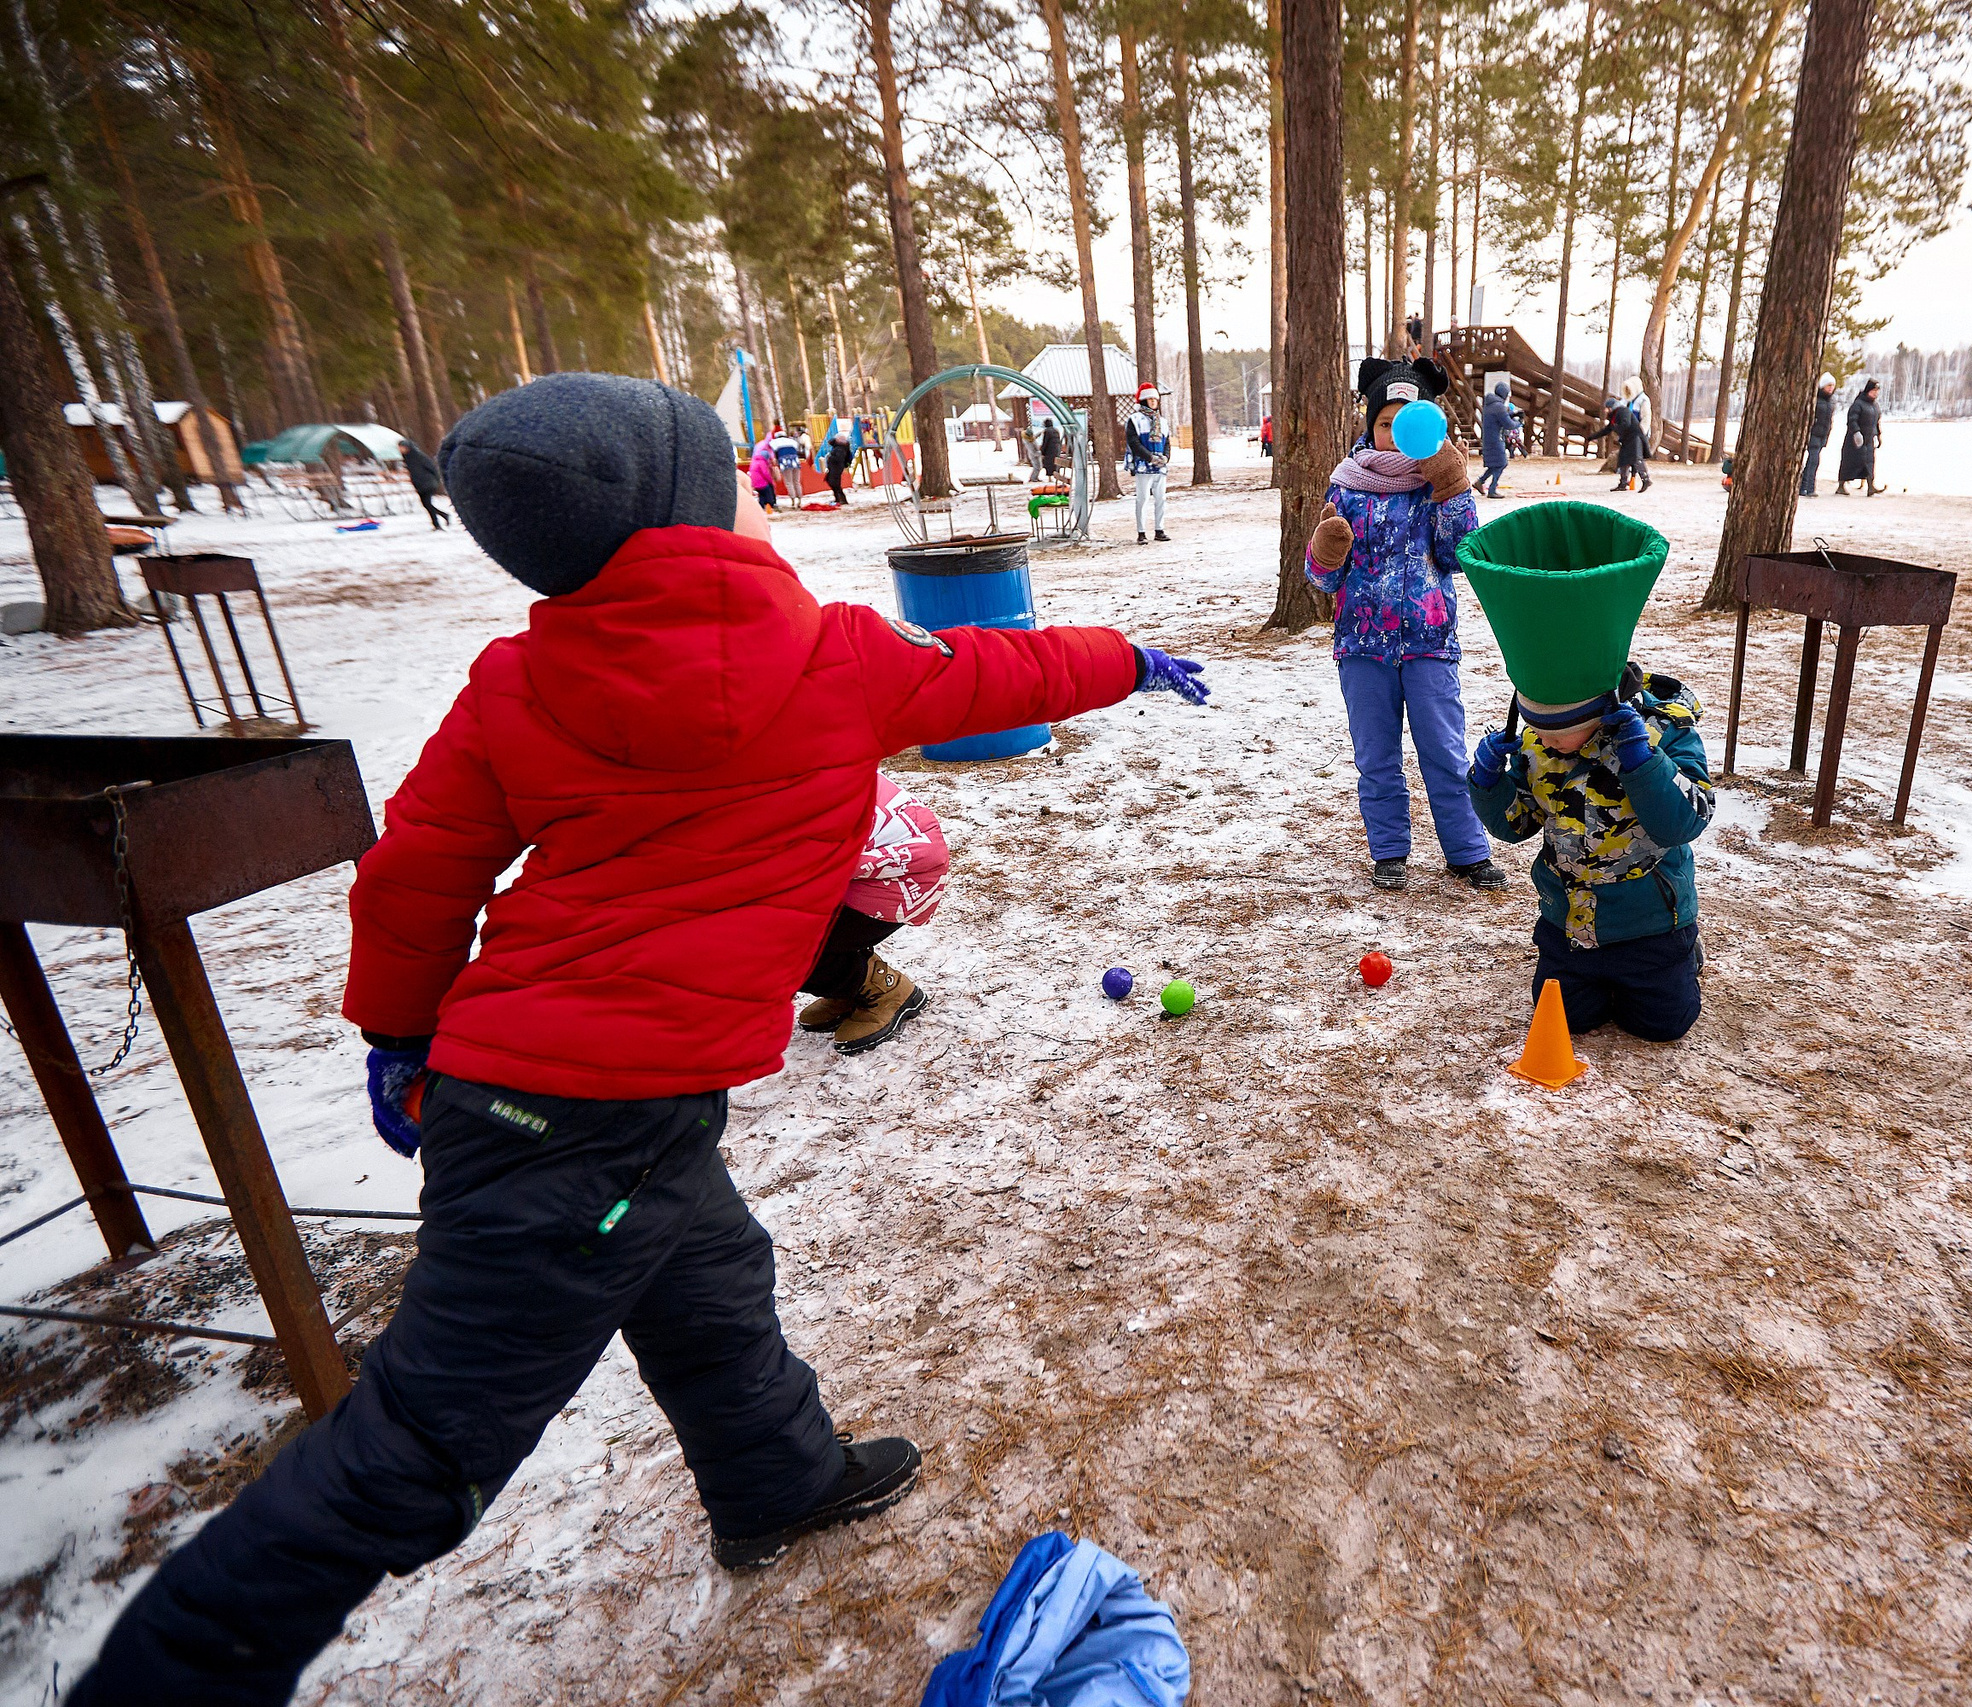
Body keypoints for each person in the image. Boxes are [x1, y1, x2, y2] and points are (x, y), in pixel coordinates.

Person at [64, 372, 1214, 1707]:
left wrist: (399, 1030)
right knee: (419, 1448)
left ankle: (775, 1473)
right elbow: (991, 668)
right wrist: (1124, 657)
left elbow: (418, 873)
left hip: (543, 1085)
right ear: (689, 511)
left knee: (704, 1263)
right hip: (585, 1117)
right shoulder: (833, 658)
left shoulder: (521, 678)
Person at [1304, 357, 1506, 895]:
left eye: (1404, 421)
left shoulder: (1435, 479)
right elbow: (1322, 580)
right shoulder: (1346, 486)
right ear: (1369, 427)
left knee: (1444, 751)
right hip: (1362, 645)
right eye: (1384, 423)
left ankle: (1466, 852)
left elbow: (1459, 554)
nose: (1394, 435)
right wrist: (1324, 554)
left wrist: (1454, 490)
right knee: (1376, 756)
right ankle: (1389, 851)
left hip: (1428, 643)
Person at [1466, 666, 1714, 1041]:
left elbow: (1686, 822)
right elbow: (1516, 826)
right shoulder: (1539, 741)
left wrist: (1643, 762)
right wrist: (1488, 782)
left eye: (1558, 733)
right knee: (1569, 1019)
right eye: (1538, 730)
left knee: (1663, 1025)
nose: (1545, 742)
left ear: (1596, 714)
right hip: (1569, 923)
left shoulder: (1663, 732)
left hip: (1650, 924)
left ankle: (1682, 959)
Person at [796, 776, 947, 1054]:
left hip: (899, 875)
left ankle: (886, 990)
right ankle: (851, 987)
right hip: (866, 866)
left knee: (781, 948)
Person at [1125, 381, 1171, 542]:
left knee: (1161, 498)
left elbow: (1167, 442)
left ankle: (1159, 529)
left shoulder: (1162, 422)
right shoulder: (1135, 420)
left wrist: (1165, 457)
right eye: (1150, 399)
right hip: (1144, 465)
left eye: (1155, 399)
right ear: (1144, 400)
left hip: (1160, 466)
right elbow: (1134, 442)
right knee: (1142, 499)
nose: (1153, 402)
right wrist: (1149, 457)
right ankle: (1141, 532)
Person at [1472, 379, 1518, 499]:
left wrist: (1510, 415)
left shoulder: (1490, 405)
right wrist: (1517, 423)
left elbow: (1499, 419)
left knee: (1495, 464)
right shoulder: (1499, 407)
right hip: (1496, 440)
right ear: (1504, 394)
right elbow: (1508, 424)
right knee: (1502, 463)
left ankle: (1480, 482)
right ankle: (1492, 489)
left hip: (1488, 439)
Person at [1838, 378, 1881, 496]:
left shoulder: (1875, 406)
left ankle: (1870, 486)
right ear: (1868, 390)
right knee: (1850, 462)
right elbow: (1852, 420)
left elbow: (1876, 422)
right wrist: (1856, 432)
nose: (1876, 393)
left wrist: (1878, 435)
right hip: (1855, 440)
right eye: (1874, 391)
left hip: (1869, 439)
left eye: (1877, 391)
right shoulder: (1858, 404)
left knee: (1869, 462)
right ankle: (1841, 485)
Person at [1612, 376, 1651, 493]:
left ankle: (1645, 479)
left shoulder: (1643, 400)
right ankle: (1623, 482)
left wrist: (1641, 433)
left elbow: (1646, 418)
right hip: (1627, 434)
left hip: (1637, 434)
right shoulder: (1625, 400)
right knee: (1624, 457)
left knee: (1636, 458)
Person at [399, 437, 447, 529]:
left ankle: (437, 524)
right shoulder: (407, 459)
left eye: (402, 447)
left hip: (428, 483)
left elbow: (432, 467)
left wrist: (436, 480)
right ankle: (444, 515)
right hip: (419, 484)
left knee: (427, 504)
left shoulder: (418, 456)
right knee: (426, 505)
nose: (401, 450)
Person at [1801, 373, 1836, 498]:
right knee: (1814, 461)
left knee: (1812, 461)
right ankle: (1810, 488)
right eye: (1828, 385)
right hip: (1813, 434)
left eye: (1832, 385)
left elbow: (1829, 420)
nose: (1831, 388)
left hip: (1822, 435)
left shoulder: (1831, 401)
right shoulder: (1815, 399)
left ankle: (1802, 486)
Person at [747, 428, 779, 511]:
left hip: (755, 483)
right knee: (768, 491)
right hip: (762, 483)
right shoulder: (762, 462)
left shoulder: (755, 461)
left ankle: (761, 506)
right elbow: (765, 473)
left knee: (761, 494)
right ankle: (770, 504)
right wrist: (770, 481)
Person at [823, 430, 853, 505]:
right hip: (836, 466)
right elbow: (830, 442)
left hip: (836, 467)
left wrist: (831, 458)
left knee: (834, 483)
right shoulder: (840, 447)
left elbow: (839, 458)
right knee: (831, 481)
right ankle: (839, 498)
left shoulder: (840, 448)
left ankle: (841, 499)